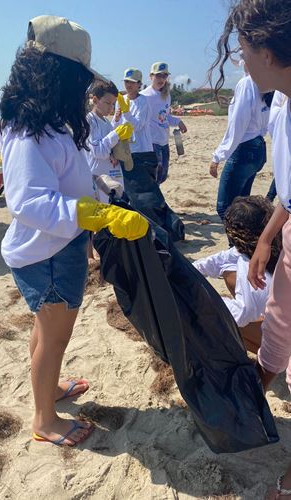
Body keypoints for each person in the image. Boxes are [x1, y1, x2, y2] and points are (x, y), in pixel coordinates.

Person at [0, 15, 148, 447]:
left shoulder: (48, 119)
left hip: (59, 245)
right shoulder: (29, 129)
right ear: (55, 74)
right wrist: (97, 216)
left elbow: (71, 174)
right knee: (55, 336)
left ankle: (50, 390)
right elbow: (27, 202)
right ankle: (45, 419)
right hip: (45, 254)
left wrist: (98, 197)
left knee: (46, 333)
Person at [210, 0, 291, 497]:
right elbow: (288, 186)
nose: (240, 61)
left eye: (243, 50)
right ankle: (260, 381)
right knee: (279, 318)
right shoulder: (279, 99)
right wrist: (266, 239)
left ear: (268, 48)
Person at [193, 196, 281, 337]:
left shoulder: (252, 267)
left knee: (228, 324)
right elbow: (209, 263)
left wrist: (206, 300)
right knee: (228, 268)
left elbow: (241, 315)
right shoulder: (276, 243)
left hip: (284, 334)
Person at [209, 73, 271, 220]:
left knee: (227, 208)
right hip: (258, 147)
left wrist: (218, 155)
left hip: (245, 149)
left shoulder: (247, 83)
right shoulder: (266, 82)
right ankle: (244, 241)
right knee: (243, 205)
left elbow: (238, 125)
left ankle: (238, 242)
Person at [85, 81, 133, 203]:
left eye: (113, 104)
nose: (111, 108)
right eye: (108, 103)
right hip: (99, 179)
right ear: (95, 100)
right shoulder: (90, 121)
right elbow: (98, 151)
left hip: (113, 176)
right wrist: (116, 134)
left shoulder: (106, 122)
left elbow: (112, 147)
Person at [140, 62, 187, 184]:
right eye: (158, 76)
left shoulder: (166, 95)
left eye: (164, 76)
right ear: (151, 76)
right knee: (152, 178)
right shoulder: (144, 96)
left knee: (162, 177)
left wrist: (178, 122)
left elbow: (165, 116)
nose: (161, 79)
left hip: (164, 142)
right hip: (151, 143)